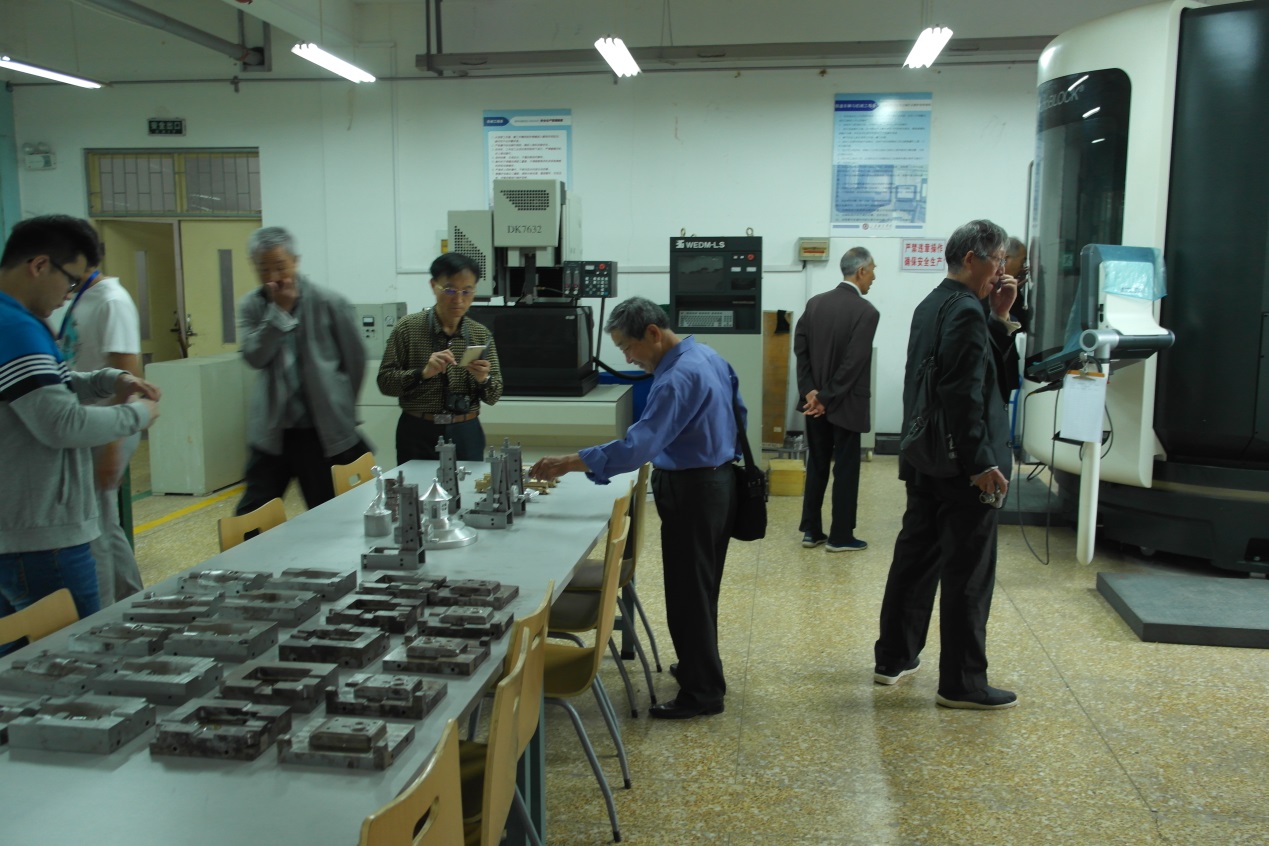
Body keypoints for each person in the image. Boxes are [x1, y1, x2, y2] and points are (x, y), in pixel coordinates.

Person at [528, 297, 743, 720]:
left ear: (653, 333)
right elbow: (740, 414)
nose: (628, 358)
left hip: (694, 490)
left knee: (688, 593)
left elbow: (637, 446)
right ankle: (700, 667)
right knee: (702, 588)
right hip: (718, 481)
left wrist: (570, 462)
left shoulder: (677, 378)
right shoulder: (707, 356)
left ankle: (702, 692)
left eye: (627, 347)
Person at [874, 219, 1018, 710]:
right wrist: (980, 463)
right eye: (998, 260)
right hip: (962, 466)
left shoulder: (933, 303)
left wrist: (999, 317)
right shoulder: (966, 312)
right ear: (972, 258)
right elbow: (964, 392)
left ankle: (894, 657)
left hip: (926, 456)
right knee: (969, 572)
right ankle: (962, 683)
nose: (1002, 270)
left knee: (915, 559)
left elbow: (949, 377)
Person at [0, 215, 160, 634]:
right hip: (39, 535)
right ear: (39, 265)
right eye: (70, 281)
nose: (69, 295)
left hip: (20, 530)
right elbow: (61, 423)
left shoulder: (12, 319)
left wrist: (108, 380)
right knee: (75, 654)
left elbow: (43, 386)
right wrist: (137, 416)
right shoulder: (15, 327)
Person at [235, 226, 369, 516]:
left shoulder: (330, 302)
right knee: (253, 514)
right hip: (273, 430)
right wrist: (278, 314)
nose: (273, 276)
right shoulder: (251, 306)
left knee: (329, 513)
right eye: (263, 268)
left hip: (321, 431)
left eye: (280, 266)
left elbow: (355, 361)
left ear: (295, 261)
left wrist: (341, 407)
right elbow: (254, 357)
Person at [52, 235, 146, 606]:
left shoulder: (112, 301)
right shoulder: (82, 296)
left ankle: (104, 613)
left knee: (97, 525)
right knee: (105, 521)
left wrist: (113, 445)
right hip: (90, 424)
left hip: (108, 425)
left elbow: (128, 376)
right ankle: (130, 601)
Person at [793, 246, 880, 553]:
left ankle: (811, 531)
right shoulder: (867, 312)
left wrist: (810, 392)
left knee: (817, 464)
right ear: (861, 271)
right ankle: (840, 536)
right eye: (873, 271)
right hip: (846, 404)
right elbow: (854, 363)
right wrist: (827, 397)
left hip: (813, 404)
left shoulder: (815, 304)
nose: (873, 278)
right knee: (845, 469)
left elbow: (801, 349)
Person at [376, 252, 502, 464]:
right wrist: (422, 374)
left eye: (467, 291)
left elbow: (494, 394)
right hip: (418, 431)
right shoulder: (408, 328)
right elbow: (385, 383)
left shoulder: (480, 334)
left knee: (468, 485)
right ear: (434, 286)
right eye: (450, 290)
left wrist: (483, 379)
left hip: (466, 431)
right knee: (415, 485)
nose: (459, 299)